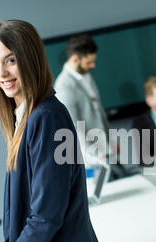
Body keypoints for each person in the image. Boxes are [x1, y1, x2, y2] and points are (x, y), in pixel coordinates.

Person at [0, 20, 107, 242]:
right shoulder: (24, 116)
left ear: (30, 59)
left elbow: (46, 216)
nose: (1, 73)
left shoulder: (46, 117)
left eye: (10, 60)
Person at [54, 34, 128, 179]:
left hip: (105, 148)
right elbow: (74, 127)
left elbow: (99, 111)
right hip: (94, 158)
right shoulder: (64, 87)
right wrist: (95, 155)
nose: (93, 66)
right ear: (75, 59)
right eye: (89, 62)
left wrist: (110, 139)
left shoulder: (86, 75)